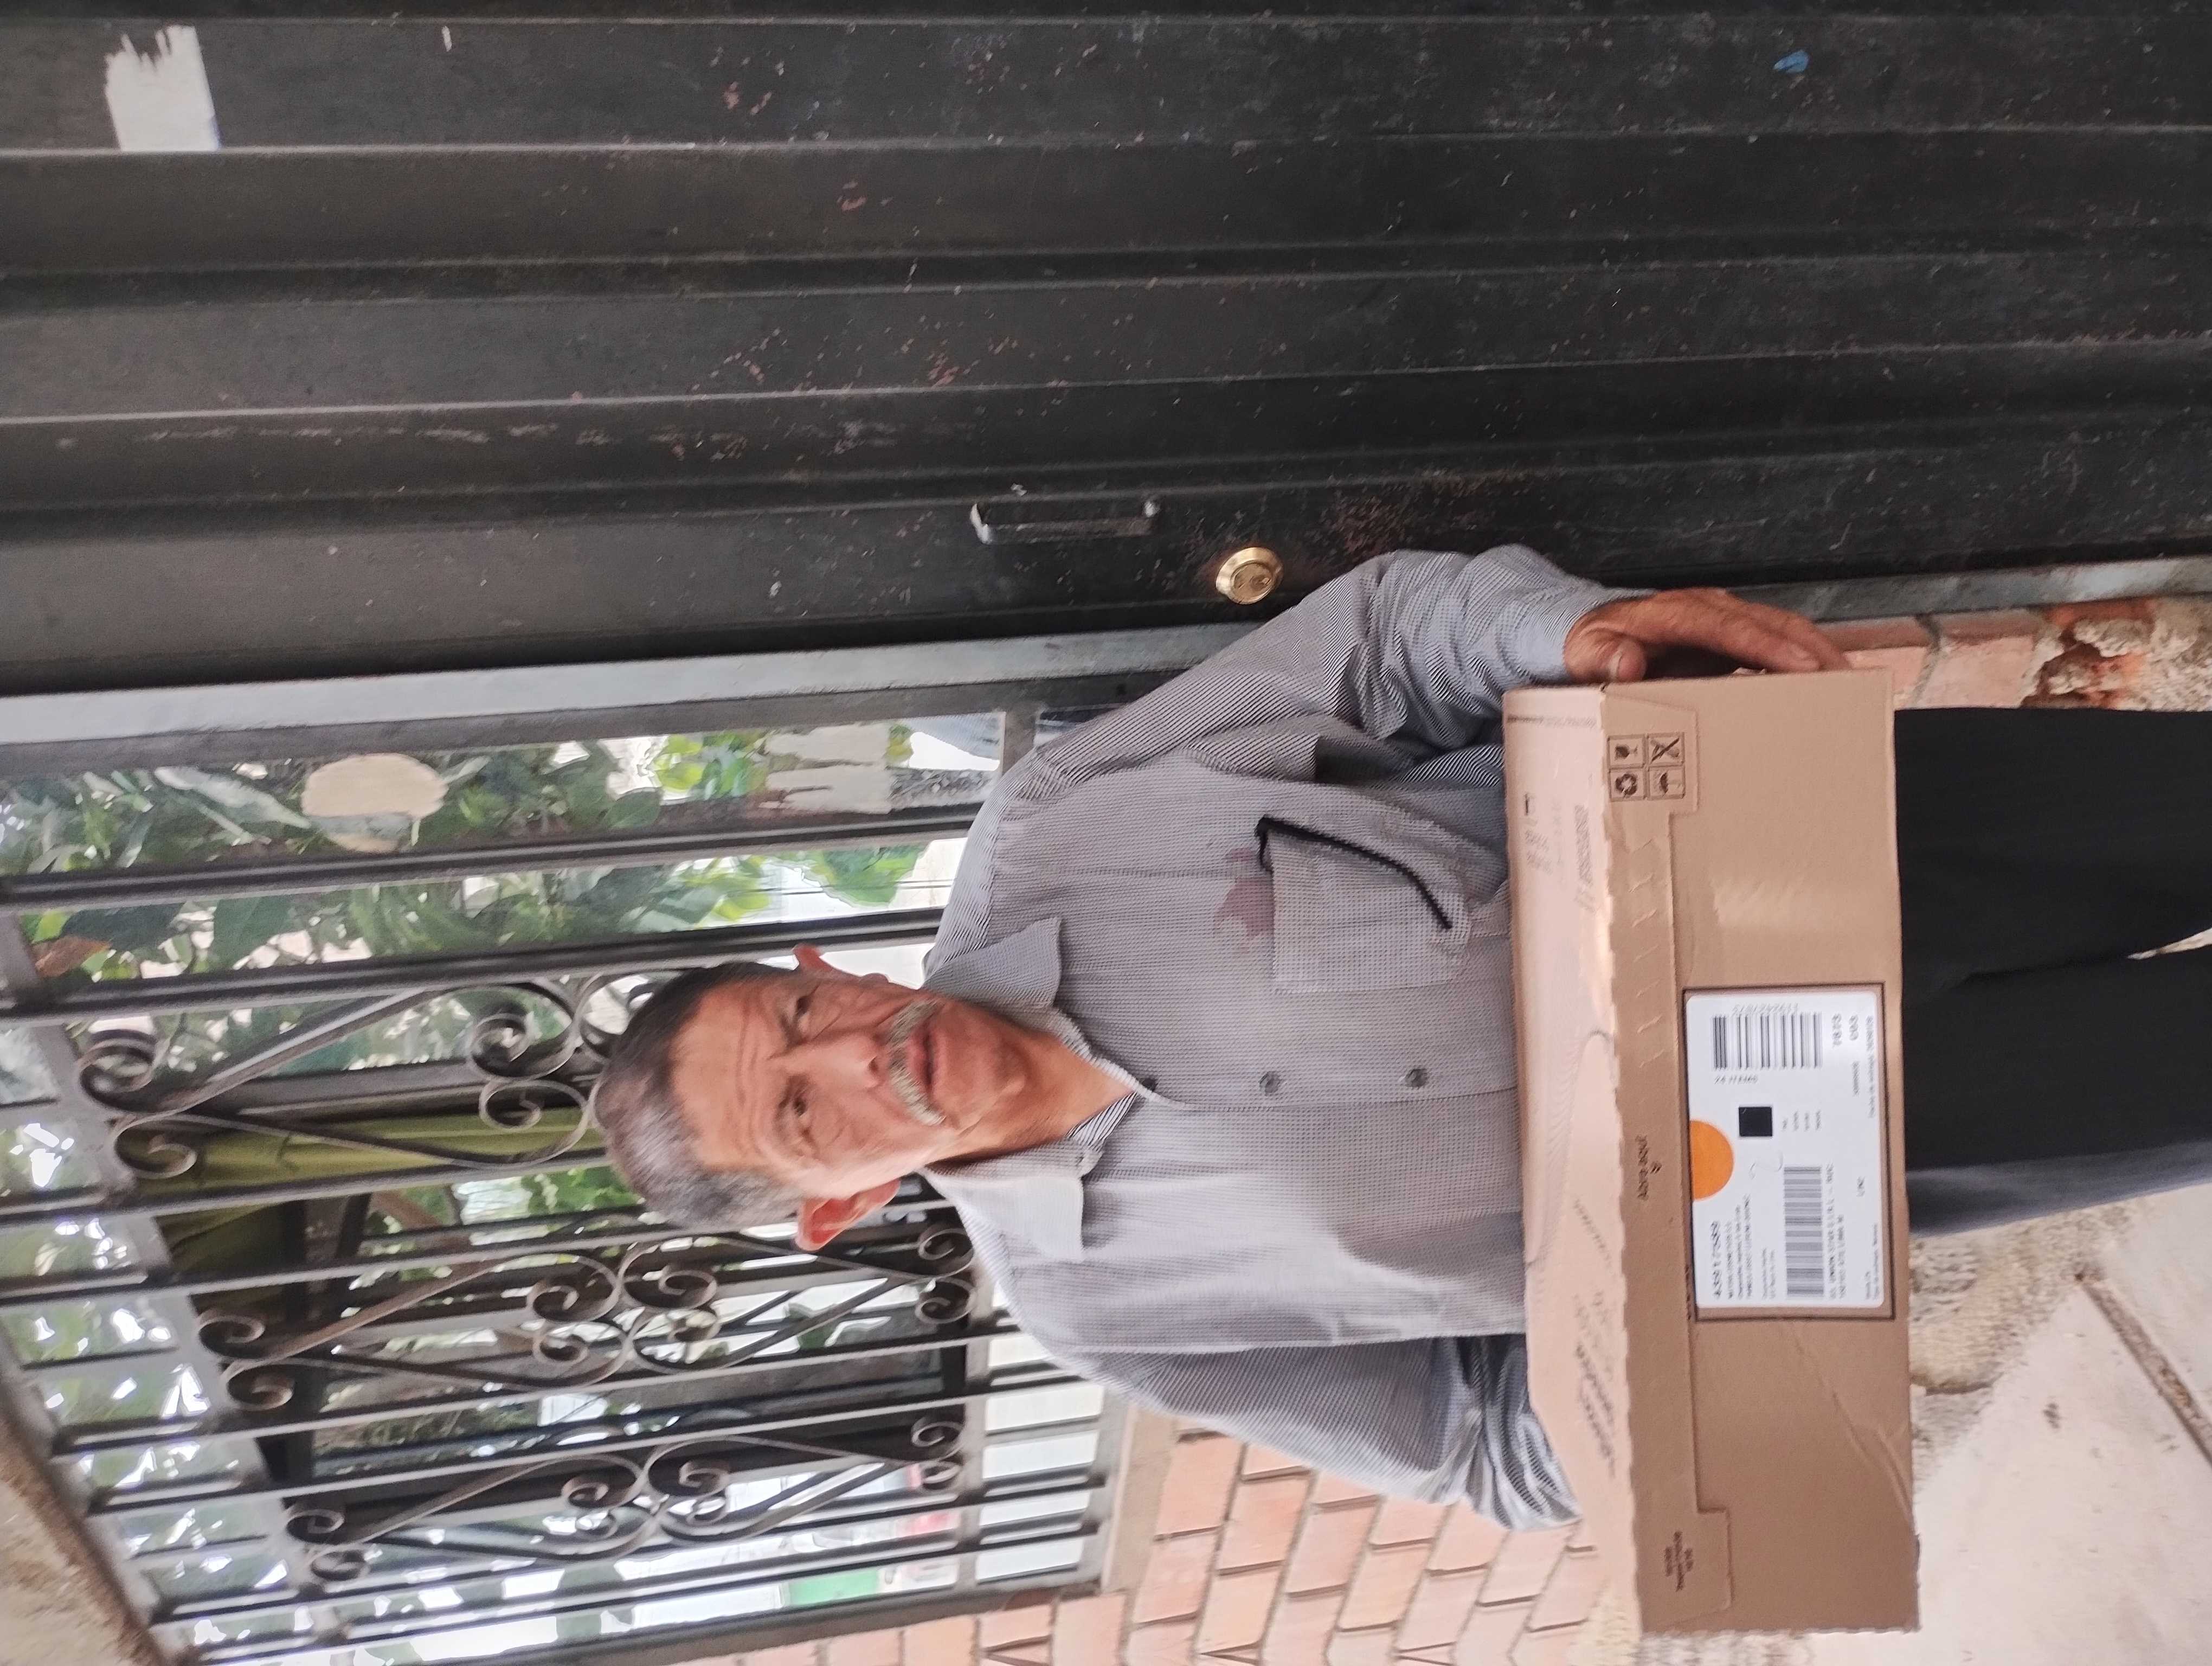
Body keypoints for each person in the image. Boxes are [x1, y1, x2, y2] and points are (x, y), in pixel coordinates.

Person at [593, 545, 2212, 1526]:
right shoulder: (1106, 1310)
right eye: (801, 1115)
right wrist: (1696, 1403)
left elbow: (1379, 639)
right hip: (1859, 1144)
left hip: (1821, 842)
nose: (855, 1058)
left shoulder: (1056, 825)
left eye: (801, 1015)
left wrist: (1571, 632)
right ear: (838, 1207)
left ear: (821, 965)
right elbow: (1484, 1447)